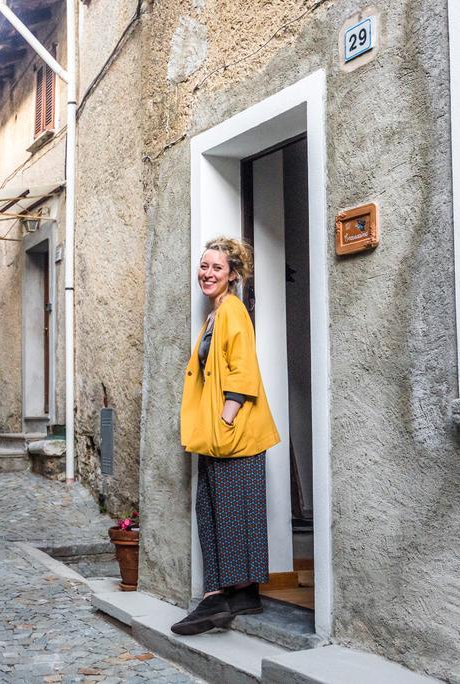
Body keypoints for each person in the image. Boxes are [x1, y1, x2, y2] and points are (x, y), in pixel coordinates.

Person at [170, 236, 281, 636]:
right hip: (216, 434)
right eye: (204, 266)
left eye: (217, 268)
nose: (207, 273)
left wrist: (227, 418)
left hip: (234, 433)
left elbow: (242, 370)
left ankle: (233, 594)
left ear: (233, 275)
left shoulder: (233, 311)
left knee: (234, 512)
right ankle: (225, 594)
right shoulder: (216, 314)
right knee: (212, 511)